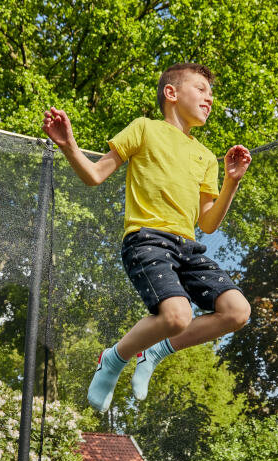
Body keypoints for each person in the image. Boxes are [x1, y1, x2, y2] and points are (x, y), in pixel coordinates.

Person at [42, 62, 252, 412]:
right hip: (147, 240)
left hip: (187, 246)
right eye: (201, 89)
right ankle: (113, 359)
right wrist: (68, 145)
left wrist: (232, 181)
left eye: (211, 94)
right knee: (176, 316)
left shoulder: (205, 156)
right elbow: (95, 175)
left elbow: (209, 222)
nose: (209, 98)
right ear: (171, 93)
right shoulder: (144, 129)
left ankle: (156, 350)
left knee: (237, 311)